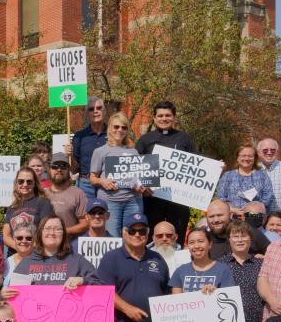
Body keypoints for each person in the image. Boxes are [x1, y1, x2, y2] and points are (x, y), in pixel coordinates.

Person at [135, 102, 196, 236]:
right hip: (152, 199)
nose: (164, 119)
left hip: (178, 200)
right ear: (154, 118)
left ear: (174, 117)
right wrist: (140, 185)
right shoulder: (145, 140)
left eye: (168, 115)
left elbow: (196, 165)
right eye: (160, 115)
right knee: (152, 236)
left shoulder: (184, 138)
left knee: (177, 235)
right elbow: (135, 166)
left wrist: (215, 168)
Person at [87, 111, 143, 235]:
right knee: (112, 238)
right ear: (110, 128)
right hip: (110, 203)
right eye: (116, 127)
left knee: (133, 237)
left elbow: (138, 178)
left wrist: (141, 186)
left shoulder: (133, 151)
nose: (120, 130)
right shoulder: (100, 151)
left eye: (124, 127)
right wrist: (102, 181)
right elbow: (92, 178)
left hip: (133, 201)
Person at [219, 221, 265, 322]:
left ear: (250, 239)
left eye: (243, 236)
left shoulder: (261, 263)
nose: (240, 240)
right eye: (235, 236)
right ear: (229, 240)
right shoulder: (219, 265)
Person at [216, 143, 275, 215]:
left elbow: (268, 196)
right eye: (243, 156)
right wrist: (232, 210)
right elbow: (221, 197)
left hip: (255, 217)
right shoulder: (228, 175)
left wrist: (255, 210)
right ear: (237, 158)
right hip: (233, 219)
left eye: (250, 156)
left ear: (255, 158)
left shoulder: (262, 175)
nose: (246, 159)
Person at [202, 199, 270, 259]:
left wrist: (265, 260)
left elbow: (275, 255)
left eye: (220, 215)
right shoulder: (203, 240)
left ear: (230, 215)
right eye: (211, 216)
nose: (216, 220)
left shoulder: (249, 232)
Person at [71, 96, 108, 204]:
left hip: (107, 184)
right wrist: (68, 156)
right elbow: (74, 170)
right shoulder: (79, 136)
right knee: (87, 218)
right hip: (85, 185)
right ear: (87, 114)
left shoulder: (114, 133)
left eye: (99, 108)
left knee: (108, 218)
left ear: (104, 111)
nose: (95, 111)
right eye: (91, 109)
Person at [2, 168, 54, 244]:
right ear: (16, 183)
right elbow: (6, 236)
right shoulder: (11, 208)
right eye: (21, 181)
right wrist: (20, 248)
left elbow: (47, 232)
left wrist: (27, 249)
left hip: (35, 253)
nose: (25, 184)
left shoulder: (43, 203)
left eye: (29, 182)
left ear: (34, 183)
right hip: (14, 253)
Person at [43, 153, 89, 237]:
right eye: (55, 166)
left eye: (63, 166)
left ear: (68, 170)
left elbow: (85, 223)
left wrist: (64, 231)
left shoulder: (78, 193)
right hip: (45, 245)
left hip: (69, 245)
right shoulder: (42, 194)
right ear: (49, 169)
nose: (59, 169)